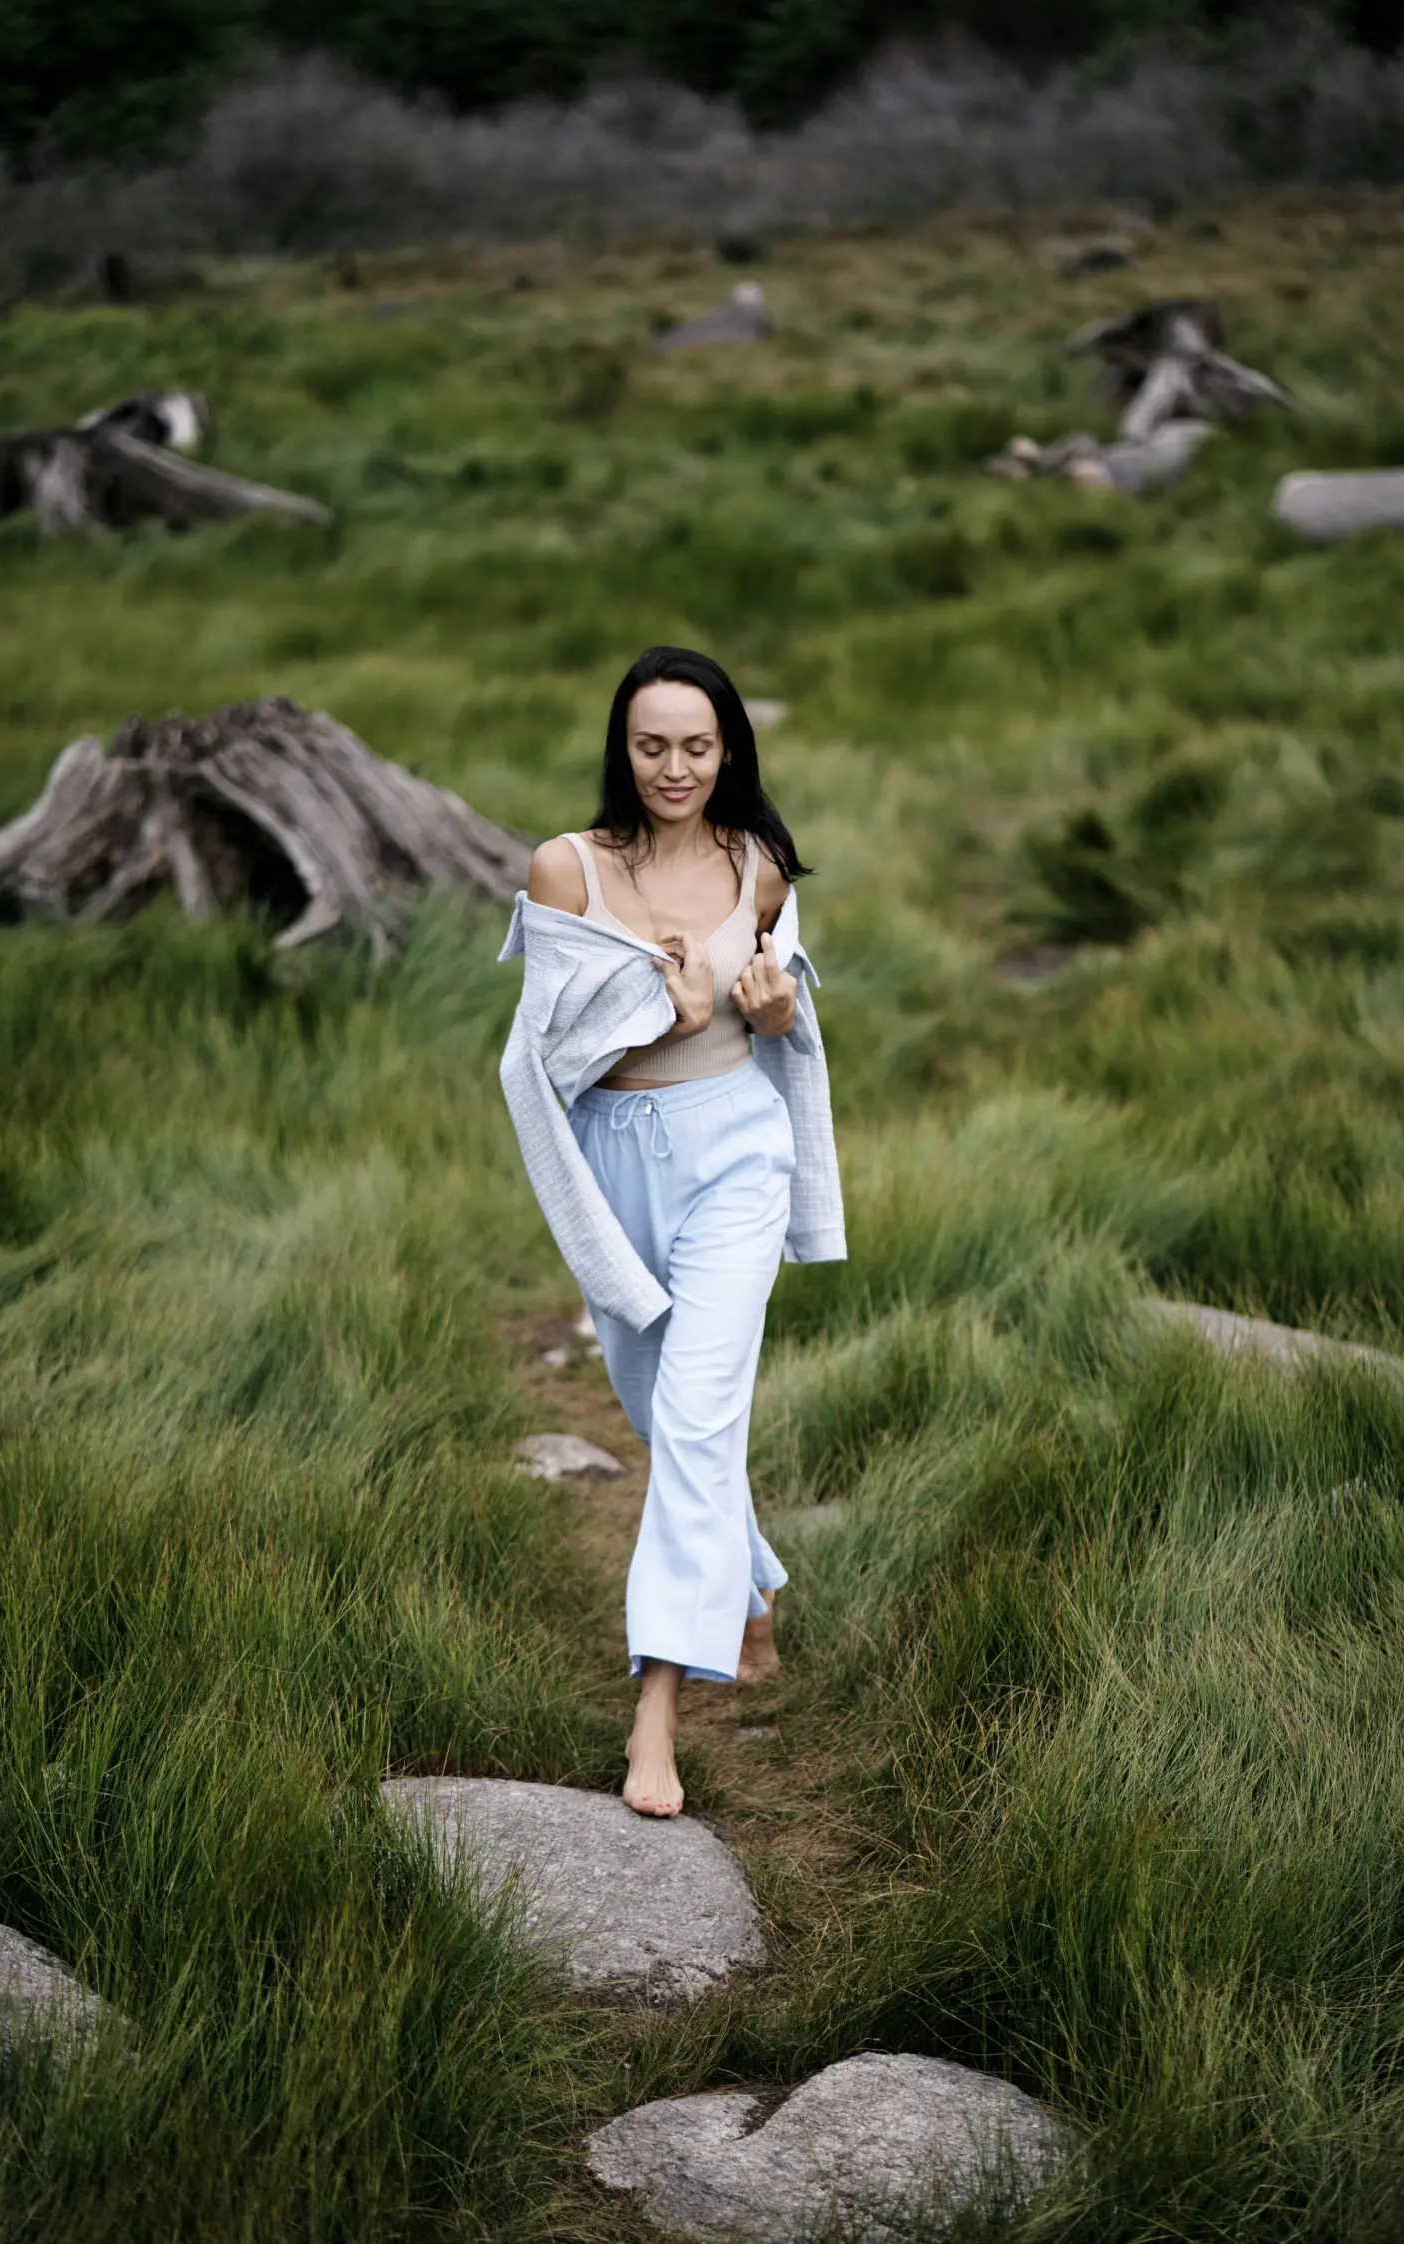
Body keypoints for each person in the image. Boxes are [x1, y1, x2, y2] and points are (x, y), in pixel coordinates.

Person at [499, 646, 845, 1816]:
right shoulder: (566, 871)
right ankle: (744, 1592)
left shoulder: (758, 871)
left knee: (697, 1419)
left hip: (733, 1156)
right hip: (613, 1171)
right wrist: (666, 1005)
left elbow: (785, 1011)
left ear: (728, 750)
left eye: (696, 746)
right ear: (622, 747)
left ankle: (655, 1718)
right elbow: (541, 1057)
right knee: (661, 1416)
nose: (674, 767)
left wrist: (770, 1008)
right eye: (651, 745)